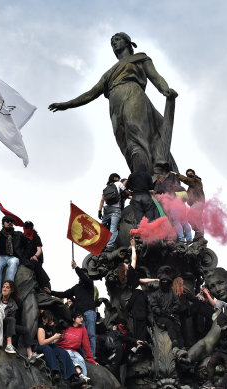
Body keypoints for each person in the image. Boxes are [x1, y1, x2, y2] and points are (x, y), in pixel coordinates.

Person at [49, 32, 179, 176]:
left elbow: (155, 76)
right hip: (114, 105)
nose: (114, 44)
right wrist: (67, 104)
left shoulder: (140, 58)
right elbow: (91, 93)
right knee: (125, 144)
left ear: (128, 43)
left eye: (117, 40)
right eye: (112, 43)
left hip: (133, 94)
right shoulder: (109, 73)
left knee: (136, 137)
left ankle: (146, 178)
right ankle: (140, 178)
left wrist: (165, 89)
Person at [0, 280, 43, 362]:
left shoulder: (13, 305)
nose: (4, 289)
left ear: (11, 291)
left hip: (2, 324)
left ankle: (29, 354)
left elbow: (10, 322)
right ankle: (9, 344)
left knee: (24, 329)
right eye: (3, 286)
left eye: (7, 287)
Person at [46, 259, 97, 357]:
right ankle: (83, 355)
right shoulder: (76, 287)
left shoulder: (90, 283)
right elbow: (64, 293)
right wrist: (51, 292)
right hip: (79, 315)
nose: (83, 275)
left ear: (87, 275)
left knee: (91, 335)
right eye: (82, 273)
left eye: (85, 273)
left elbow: (84, 277)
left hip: (89, 312)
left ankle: (92, 355)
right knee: (81, 336)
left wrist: (76, 268)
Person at [118, 238, 158, 341]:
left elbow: (141, 280)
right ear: (125, 268)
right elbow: (134, 259)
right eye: (126, 264)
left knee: (139, 320)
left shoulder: (129, 277)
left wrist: (154, 279)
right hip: (138, 297)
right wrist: (133, 246)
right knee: (141, 318)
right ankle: (140, 342)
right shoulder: (130, 272)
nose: (127, 264)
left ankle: (139, 342)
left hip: (137, 296)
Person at [35, 310, 85, 386]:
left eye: (52, 320)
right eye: (49, 320)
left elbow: (51, 342)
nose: (51, 322)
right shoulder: (41, 327)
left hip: (50, 346)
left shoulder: (50, 327)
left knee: (63, 352)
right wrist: (54, 337)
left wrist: (57, 339)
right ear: (44, 319)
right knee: (48, 349)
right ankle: (55, 372)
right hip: (41, 347)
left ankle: (72, 376)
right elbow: (42, 342)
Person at [56, 311, 99, 383]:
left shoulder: (83, 329)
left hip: (74, 350)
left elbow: (86, 344)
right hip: (63, 349)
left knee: (81, 359)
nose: (81, 319)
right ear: (73, 319)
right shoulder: (66, 327)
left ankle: (83, 380)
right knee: (71, 356)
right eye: (79, 317)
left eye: (82, 317)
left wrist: (91, 359)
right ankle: (80, 374)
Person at [148, 273, 184, 348]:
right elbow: (154, 306)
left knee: (177, 326)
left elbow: (177, 303)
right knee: (169, 323)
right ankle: (174, 342)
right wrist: (161, 312)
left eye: (166, 281)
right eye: (163, 281)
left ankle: (181, 347)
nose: (165, 282)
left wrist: (171, 311)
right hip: (160, 317)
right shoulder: (155, 294)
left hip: (171, 314)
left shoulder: (172, 293)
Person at [0, 215, 26, 291]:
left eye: (11, 222)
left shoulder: (18, 234)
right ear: (3, 223)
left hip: (13, 257)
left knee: (13, 264)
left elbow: (26, 244)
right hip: (1, 256)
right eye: (7, 221)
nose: (10, 223)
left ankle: (7, 289)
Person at [98, 173, 126, 251]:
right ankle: (109, 245)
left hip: (106, 209)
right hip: (115, 209)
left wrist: (99, 211)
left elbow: (102, 200)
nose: (119, 179)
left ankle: (99, 242)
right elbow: (126, 191)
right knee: (113, 228)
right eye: (118, 178)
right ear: (115, 178)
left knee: (102, 227)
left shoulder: (106, 188)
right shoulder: (118, 183)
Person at [22, 220, 51, 290]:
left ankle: (42, 285)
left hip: (36, 258)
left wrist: (35, 256)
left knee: (35, 264)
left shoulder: (36, 237)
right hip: (25, 257)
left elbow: (39, 249)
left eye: (29, 227)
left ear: (32, 228)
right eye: (26, 227)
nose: (28, 229)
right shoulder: (22, 236)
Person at [171, 277, 200, 345]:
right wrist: (198, 298)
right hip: (183, 311)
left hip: (177, 312)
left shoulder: (172, 290)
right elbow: (192, 298)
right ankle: (186, 343)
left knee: (179, 329)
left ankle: (182, 344)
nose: (183, 282)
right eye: (181, 281)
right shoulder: (183, 289)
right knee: (184, 328)